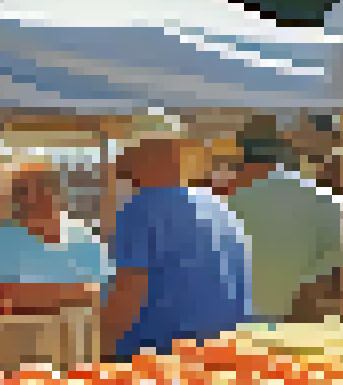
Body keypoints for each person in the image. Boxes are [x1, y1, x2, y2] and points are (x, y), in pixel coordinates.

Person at [102, 135, 252, 358]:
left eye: (122, 153)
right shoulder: (219, 206)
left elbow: (128, 294)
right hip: (229, 353)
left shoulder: (141, 209)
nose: (117, 163)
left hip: (162, 361)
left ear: (143, 155)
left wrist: (99, 354)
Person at [223, 125, 343, 324]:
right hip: (302, 326)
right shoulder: (329, 202)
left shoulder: (225, 206)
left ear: (241, 157)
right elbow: (336, 278)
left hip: (239, 328)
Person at [0, 164, 111, 311]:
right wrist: (67, 293)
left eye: (41, 191)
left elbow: (101, 293)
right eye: (24, 192)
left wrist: (19, 294)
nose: (33, 199)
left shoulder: (85, 237)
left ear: (60, 195)